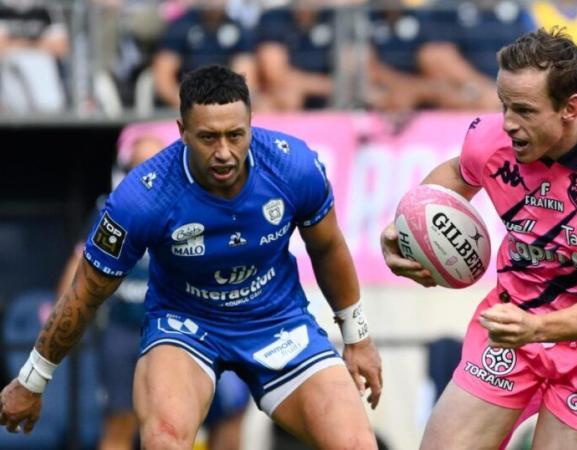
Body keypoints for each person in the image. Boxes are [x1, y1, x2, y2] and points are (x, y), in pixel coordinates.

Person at [0, 64, 382, 450]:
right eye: (207, 137)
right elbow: (84, 294)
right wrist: (32, 380)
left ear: (251, 123)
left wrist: (358, 337)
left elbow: (328, 247)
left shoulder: (292, 166)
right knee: (164, 440)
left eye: (235, 135)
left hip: (276, 320)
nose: (224, 153)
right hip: (185, 327)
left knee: (356, 443)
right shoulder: (141, 198)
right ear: (182, 132)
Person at [381, 28, 577, 450]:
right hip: (510, 325)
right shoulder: (491, 139)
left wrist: (539, 328)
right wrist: (405, 230)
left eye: (525, 111)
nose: (509, 124)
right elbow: (459, 175)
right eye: (504, 106)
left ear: (571, 108)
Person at [53, 126, 250, 450]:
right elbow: (80, 267)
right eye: (138, 168)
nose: (149, 177)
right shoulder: (111, 209)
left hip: (191, 329)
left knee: (228, 411)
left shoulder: (197, 206)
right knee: (122, 422)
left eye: (157, 165)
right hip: (127, 329)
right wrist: (63, 320)